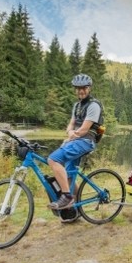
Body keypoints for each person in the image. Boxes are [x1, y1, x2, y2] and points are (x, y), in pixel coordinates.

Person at [47, 73, 103, 210]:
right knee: (70, 175)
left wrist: (71, 136)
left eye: (83, 88)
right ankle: (76, 208)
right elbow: (70, 125)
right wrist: (70, 133)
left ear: (89, 88)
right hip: (77, 140)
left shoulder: (94, 105)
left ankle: (66, 196)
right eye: (78, 88)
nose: (81, 91)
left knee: (53, 159)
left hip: (86, 141)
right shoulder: (77, 106)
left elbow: (84, 130)